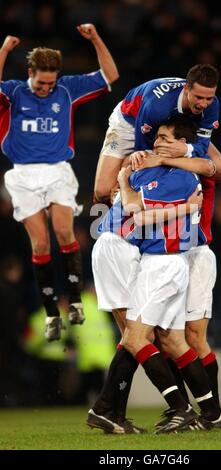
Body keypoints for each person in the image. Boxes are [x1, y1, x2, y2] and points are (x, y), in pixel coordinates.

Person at [88, 117, 221, 433]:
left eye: (166, 138)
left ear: (185, 145)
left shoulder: (186, 174)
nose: (157, 142)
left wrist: (127, 180)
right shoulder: (151, 170)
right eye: (157, 137)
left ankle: (187, 410)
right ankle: (198, 412)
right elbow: (122, 201)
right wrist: (125, 174)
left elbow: (137, 211)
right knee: (155, 338)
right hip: (144, 255)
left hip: (168, 258)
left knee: (156, 338)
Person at [0, 24, 119, 341]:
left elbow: (110, 75)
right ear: (30, 73)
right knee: (39, 243)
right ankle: (52, 313)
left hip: (57, 170)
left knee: (65, 231)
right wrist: (2, 52)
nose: (45, 88)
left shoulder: (66, 90)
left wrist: (95, 38)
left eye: (50, 82)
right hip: (22, 175)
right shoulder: (13, 92)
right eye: (41, 82)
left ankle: (76, 300)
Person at [94, 64, 220, 202]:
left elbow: (202, 146)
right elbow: (142, 151)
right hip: (132, 122)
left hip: (177, 126)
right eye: (199, 97)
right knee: (103, 191)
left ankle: (200, 220)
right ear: (186, 89)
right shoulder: (156, 106)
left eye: (209, 98)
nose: (203, 104)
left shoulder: (212, 105)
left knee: (219, 168)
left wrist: (186, 149)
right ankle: (121, 214)